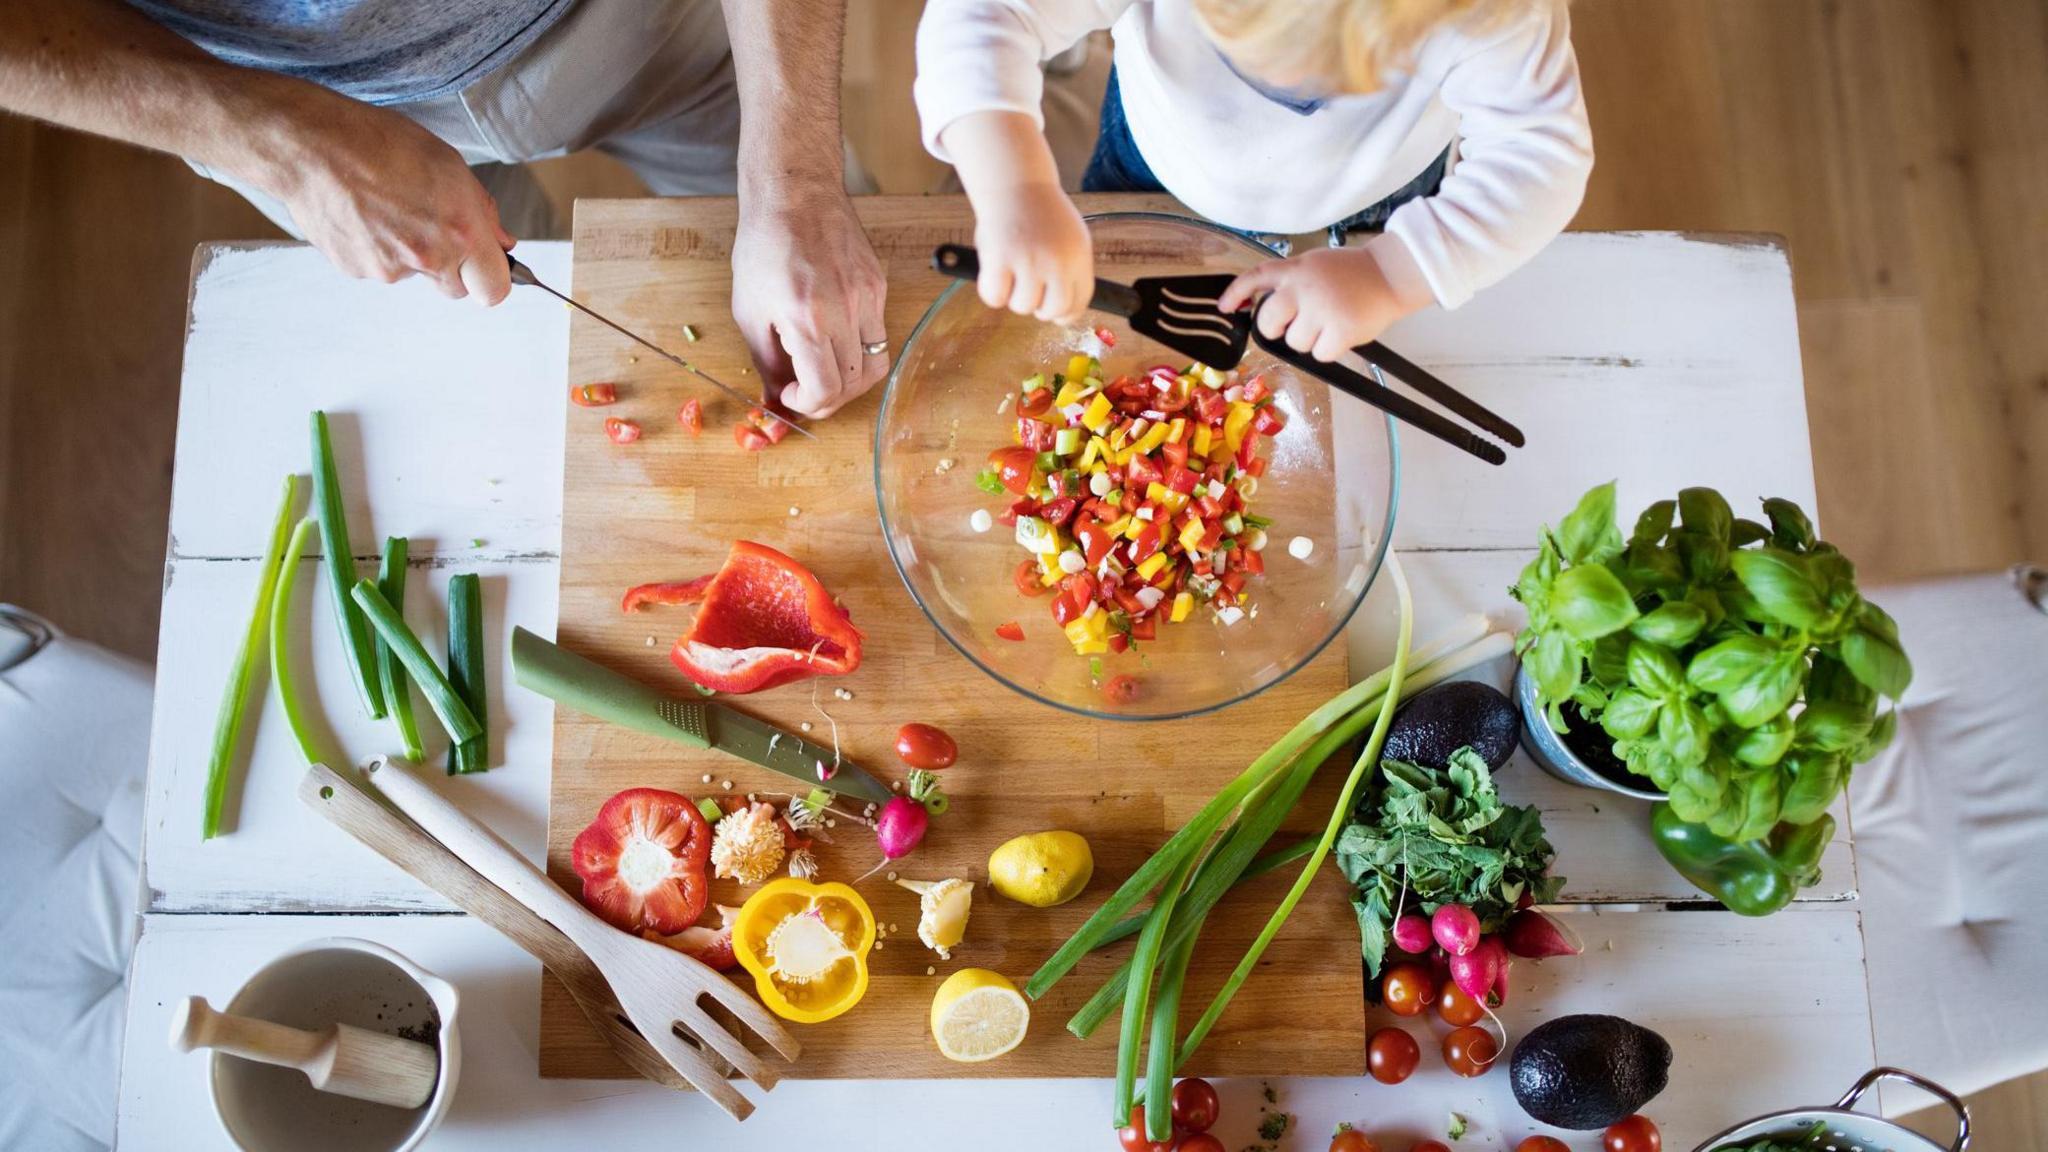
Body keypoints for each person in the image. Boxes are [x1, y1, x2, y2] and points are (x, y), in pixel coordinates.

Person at [0, 0, 887, 418]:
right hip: (266, 94)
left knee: (825, 291)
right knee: (510, 384)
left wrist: (795, 182)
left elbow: (796, 189)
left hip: (628, 20)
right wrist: (287, 145)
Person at [914, 0, 1593, 363]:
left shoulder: (1499, 10)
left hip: (1379, 196)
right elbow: (987, 12)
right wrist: (1017, 190)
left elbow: (1540, 155)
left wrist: (1391, 275)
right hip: (1157, 160)